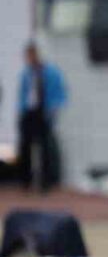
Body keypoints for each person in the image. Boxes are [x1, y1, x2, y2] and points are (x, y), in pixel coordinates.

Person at [16, 41, 67, 191]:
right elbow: (23, 93)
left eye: (31, 55)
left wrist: (53, 109)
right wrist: (21, 110)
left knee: (45, 148)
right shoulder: (26, 73)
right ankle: (26, 182)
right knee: (25, 147)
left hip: (43, 112)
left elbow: (59, 92)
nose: (29, 59)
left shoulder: (51, 72)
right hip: (29, 113)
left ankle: (46, 182)